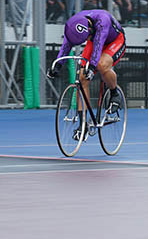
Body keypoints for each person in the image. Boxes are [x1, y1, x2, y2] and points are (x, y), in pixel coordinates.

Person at [46, 9, 127, 141]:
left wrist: (93, 67)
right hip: (95, 40)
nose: (87, 38)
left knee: (101, 64)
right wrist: (57, 65)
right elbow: (66, 47)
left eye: (87, 36)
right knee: (82, 77)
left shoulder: (102, 20)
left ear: (89, 28)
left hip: (115, 41)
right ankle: (82, 124)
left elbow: (98, 46)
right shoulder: (73, 25)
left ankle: (114, 93)